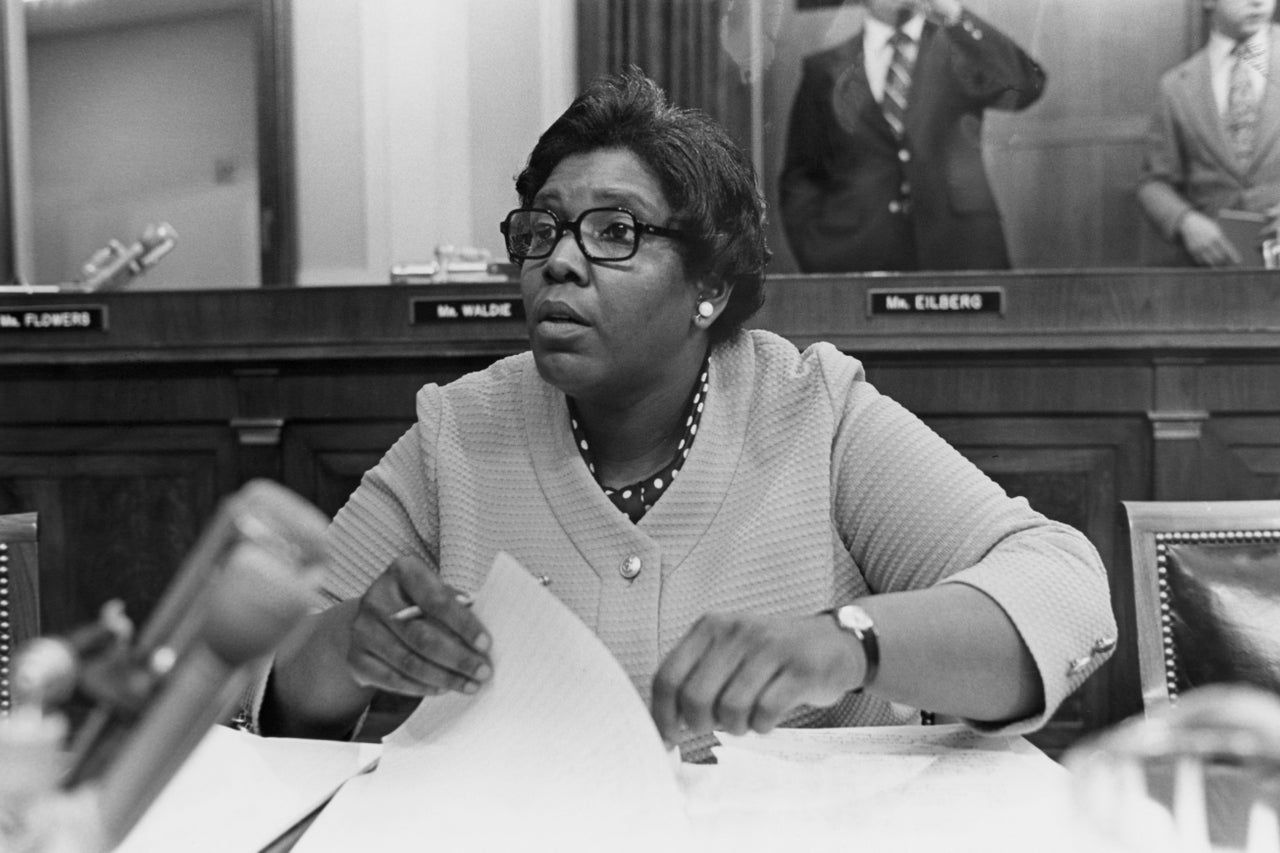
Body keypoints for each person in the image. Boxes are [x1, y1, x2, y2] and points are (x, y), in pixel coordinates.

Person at [249, 70, 1115, 760]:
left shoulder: (811, 410)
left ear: (709, 286)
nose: (559, 262)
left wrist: (846, 641)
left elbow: (1064, 590)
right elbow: (257, 673)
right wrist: (349, 647)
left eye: (615, 231)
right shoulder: (461, 432)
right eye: (542, 229)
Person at [778, 0, 1045, 273]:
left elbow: (1026, 86)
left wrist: (954, 16)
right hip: (856, 258)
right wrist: (816, 252)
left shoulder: (960, 47)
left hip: (962, 255)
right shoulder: (824, 69)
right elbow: (802, 174)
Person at [1137, 0, 1280, 267]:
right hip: (1214, 271)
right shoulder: (1176, 86)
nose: (1258, 1)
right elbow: (1154, 182)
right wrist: (1184, 220)